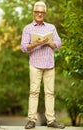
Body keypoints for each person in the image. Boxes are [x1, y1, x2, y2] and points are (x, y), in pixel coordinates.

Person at [20, 1, 65, 129]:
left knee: (50, 93)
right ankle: (31, 120)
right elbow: (23, 47)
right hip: (35, 64)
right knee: (34, 92)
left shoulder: (51, 27)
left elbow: (59, 43)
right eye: (37, 12)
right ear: (34, 13)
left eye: (42, 12)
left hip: (49, 64)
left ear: (44, 14)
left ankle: (51, 121)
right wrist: (36, 43)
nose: (39, 14)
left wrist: (49, 42)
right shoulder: (28, 28)